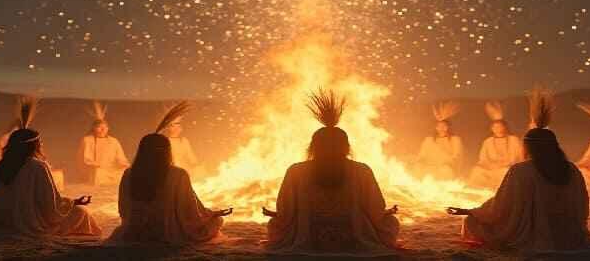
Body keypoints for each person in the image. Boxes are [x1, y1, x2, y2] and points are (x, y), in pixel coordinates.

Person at [448, 86, 590, 251]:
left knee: (470, 222)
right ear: (554, 146)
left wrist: (472, 211)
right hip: (568, 233)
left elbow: (500, 206)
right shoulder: (571, 169)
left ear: (528, 147)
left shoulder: (521, 171)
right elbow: (582, 205)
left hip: (534, 233)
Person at [263, 90, 400, 257]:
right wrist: (387, 213)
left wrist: (276, 215)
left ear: (313, 146)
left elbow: (286, 212)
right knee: (391, 223)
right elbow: (375, 209)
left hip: (306, 237)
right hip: (356, 237)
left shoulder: (296, 171)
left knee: (274, 224)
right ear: (346, 147)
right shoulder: (361, 171)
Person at [107, 101, 231, 245]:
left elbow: (123, 209)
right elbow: (190, 211)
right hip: (168, 231)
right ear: (167, 151)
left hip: (135, 231)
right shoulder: (178, 175)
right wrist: (211, 214)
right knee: (217, 221)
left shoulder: (129, 173)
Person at [0, 96, 101, 236]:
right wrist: (73, 203)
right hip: (31, 224)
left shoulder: (2, 165)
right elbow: (50, 206)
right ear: (33, 145)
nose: (42, 145)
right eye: (40, 142)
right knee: (81, 213)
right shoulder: (38, 166)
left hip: (4, 222)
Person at [468, 101, 522, 188]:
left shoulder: (514, 140)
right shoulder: (487, 141)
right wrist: (489, 165)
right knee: (476, 171)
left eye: (500, 126)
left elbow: (517, 158)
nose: (498, 129)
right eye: (495, 127)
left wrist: (504, 164)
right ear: (492, 129)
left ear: (505, 127)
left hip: (506, 168)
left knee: (505, 172)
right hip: (490, 168)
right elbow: (483, 158)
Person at [77, 101, 128, 186]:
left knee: (124, 172)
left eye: (105, 127)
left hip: (111, 172)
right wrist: (97, 166)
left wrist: (124, 165)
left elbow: (121, 159)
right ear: (94, 128)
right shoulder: (87, 140)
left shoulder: (114, 141)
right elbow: (86, 160)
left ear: (108, 128)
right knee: (98, 174)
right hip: (96, 172)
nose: (103, 130)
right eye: (99, 127)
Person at [163, 115, 203, 180]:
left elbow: (191, 157)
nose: (176, 127)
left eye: (178, 124)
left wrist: (197, 167)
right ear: (168, 127)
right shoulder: (166, 142)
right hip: (174, 175)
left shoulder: (184, 140)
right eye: (172, 125)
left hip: (186, 172)